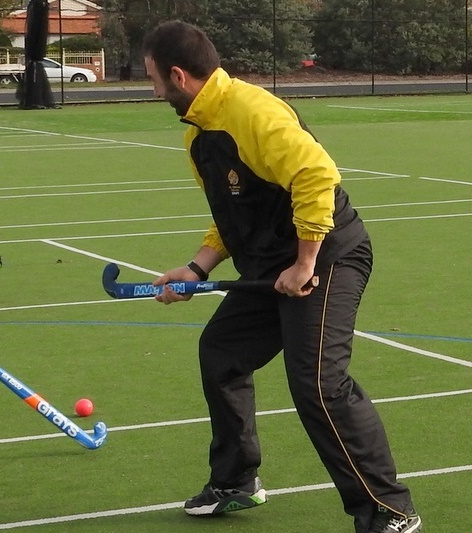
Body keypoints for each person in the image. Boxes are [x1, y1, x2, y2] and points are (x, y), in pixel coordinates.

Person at [142, 20, 421, 533]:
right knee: (222, 353)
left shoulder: (252, 111)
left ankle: (389, 510)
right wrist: (198, 266)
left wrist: (306, 263)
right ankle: (235, 483)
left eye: (153, 79)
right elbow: (236, 214)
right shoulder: (200, 136)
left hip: (328, 255)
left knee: (319, 383)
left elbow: (316, 174)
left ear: (177, 75)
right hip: (273, 267)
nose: (153, 90)